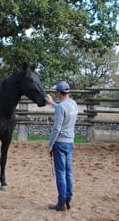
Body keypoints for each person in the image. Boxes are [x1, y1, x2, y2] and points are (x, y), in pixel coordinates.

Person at [45, 81, 79, 211]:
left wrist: (50, 145)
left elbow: (56, 129)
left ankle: (61, 203)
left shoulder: (61, 107)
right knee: (68, 172)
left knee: (60, 173)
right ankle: (68, 199)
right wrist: (52, 103)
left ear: (59, 92)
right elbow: (63, 110)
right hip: (70, 142)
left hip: (60, 143)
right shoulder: (74, 104)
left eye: (57, 92)